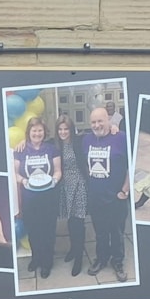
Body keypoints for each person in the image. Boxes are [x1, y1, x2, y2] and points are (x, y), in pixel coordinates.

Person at [82, 104, 131, 281]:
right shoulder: (86, 140)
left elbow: (130, 167)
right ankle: (101, 259)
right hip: (96, 198)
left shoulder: (121, 137)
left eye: (100, 121)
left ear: (108, 120)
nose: (96, 125)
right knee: (100, 232)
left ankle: (118, 262)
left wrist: (125, 190)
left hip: (117, 198)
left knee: (117, 233)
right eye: (93, 122)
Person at [12, 116, 61, 279]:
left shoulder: (52, 148)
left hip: (48, 198)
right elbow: (16, 173)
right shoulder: (21, 150)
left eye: (40, 130)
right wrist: (23, 180)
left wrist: (54, 180)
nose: (37, 133)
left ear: (44, 132)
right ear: (29, 132)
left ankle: (47, 262)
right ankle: (36, 258)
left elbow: (58, 171)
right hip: (29, 198)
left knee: (48, 230)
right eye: (34, 130)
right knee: (33, 230)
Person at [55, 115, 89, 276]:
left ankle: (79, 258)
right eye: (60, 129)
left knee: (78, 221)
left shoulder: (79, 141)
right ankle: (73, 249)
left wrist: (114, 128)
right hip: (64, 186)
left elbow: (97, 134)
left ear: (71, 129)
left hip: (79, 184)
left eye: (66, 129)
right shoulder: (55, 144)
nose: (63, 132)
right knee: (70, 220)